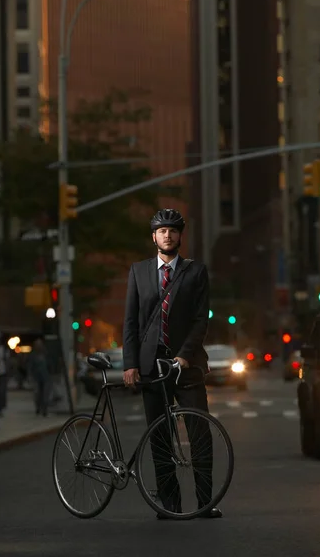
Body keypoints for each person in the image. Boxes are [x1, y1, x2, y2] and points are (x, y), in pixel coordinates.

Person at [123, 208, 221, 520]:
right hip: (151, 366)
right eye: (161, 230)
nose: (167, 235)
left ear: (180, 236)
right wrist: (130, 363)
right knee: (160, 436)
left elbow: (200, 319)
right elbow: (130, 322)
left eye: (173, 230)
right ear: (153, 237)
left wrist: (185, 354)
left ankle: (206, 502)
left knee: (200, 434)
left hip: (186, 366)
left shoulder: (195, 271)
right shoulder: (138, 271)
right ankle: (170, 504)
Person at [27, 338, 52, 416]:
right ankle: (38, 407)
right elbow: (30, 366)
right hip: (36, 377)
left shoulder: (46, 354)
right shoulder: (33, 355)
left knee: (45, 394)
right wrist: (30, 375)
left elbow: (50, 365)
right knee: (37, 394)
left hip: (46, 376)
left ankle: (44, 409)